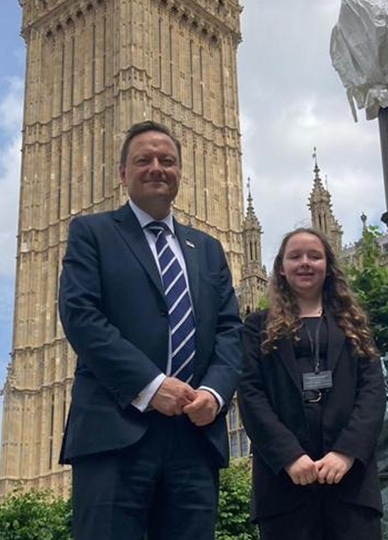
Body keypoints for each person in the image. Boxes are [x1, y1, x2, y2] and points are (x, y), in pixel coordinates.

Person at [58, 121, 243, 540]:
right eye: (143, 160)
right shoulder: (92, 233)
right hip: (114, 432)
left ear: (180, 171)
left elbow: (231, 332)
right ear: (123, 173)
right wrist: (151, 385)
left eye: (167, 160)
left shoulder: (208, 249)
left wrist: (214, 393)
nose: (156, 168)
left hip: (194, 441)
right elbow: (80, 315)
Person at [238, 228, 386, 540]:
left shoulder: (353, 325)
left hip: (350, 484)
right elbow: (250, 395)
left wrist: (346, 452)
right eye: (295, 256)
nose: (305, 263)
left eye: (314, 256)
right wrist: (289, 455)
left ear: (328, 266)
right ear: (281, 266)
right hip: (284, 486)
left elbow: (372, 392)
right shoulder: (256, 327)